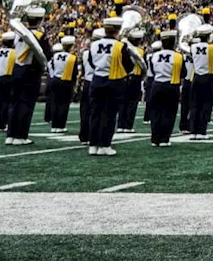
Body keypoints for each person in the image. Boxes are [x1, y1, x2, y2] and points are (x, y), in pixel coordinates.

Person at [87, 15, 137, 156]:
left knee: (95, 114)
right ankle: (105, 145)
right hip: (114, 82)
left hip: (97, 80)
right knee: (109, 114)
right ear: (117, 30)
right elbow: (128, 65)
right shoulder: (120, 46)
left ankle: (93, 145)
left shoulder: (93, 44)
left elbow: (91, 62)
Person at [6, 6, 51, 146]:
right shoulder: (39, 35)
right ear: (40, 20)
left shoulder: (18, 33)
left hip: (17, 69)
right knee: (26, 104)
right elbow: (47, 55)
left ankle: (11, 135)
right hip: (30, 72)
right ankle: (21, 135)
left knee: (15, 103)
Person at [147, 29, 186, 146]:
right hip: (171, 85)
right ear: (173, 42)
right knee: (169, 112)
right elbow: (183, 73)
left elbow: (153, 71)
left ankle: (155, 139)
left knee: (155, 112)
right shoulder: (178, 56)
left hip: (157, 84)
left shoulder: (154, 56)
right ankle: (164, 138)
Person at [46, 35, 78, 133]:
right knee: (64, 104)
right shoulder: (72, 58)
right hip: (66, 81)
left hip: (55, 80)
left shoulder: (55, 56)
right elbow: (74, 72)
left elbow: (50, 67)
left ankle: (54, 125)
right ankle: (61, 125)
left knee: (55, 103)